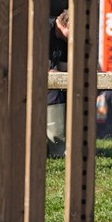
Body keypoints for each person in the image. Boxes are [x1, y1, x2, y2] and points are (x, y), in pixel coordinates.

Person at [47, 9, 69, 158]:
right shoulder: (44, 31)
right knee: (55, 92)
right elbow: (44, 70)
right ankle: (57, 151)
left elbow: (63, 68)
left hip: (51, 86)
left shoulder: (65, 40)